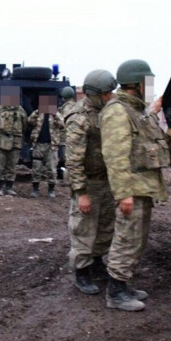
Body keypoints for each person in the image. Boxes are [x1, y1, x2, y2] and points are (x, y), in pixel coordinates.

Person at [100, 59, 171, 312]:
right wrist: (124, 194)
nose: (150, 87)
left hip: (143, 188)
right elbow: (115, 157)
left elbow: (145, 134)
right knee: (125, 238)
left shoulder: (135, 111)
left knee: (136, 239)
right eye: (147, 82)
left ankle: (124, 283)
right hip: (132, 188)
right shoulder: (117, 111)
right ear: (136, 84)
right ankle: (116, 292)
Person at [65, 70, 117, 294]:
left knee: (106, 227)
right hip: (89, 183)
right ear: (94, 94)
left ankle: (97, 262)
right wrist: (81, 192)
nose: (110, 97)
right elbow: (73, 160)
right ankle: (81, 272)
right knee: (84, 229)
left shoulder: (106, 113)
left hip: (107, 181)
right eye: (106, 94)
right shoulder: (79, 118)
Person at [0, 85, 27, 196]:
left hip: (15, 141)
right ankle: (0, 188)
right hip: (0, 140)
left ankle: (9, 187)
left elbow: (25, 125)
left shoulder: (20, 110)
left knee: (12, 165)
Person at [27, 94, 65, 198]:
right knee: (36, 168)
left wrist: (54, 114)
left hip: (51, 146)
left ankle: (51, 190)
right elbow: (29, 121)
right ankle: (35, 189)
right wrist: (37, 112)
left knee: (52, 169)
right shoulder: (38, 113)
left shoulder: (56, 114)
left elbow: (62, 124)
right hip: (38, 144)